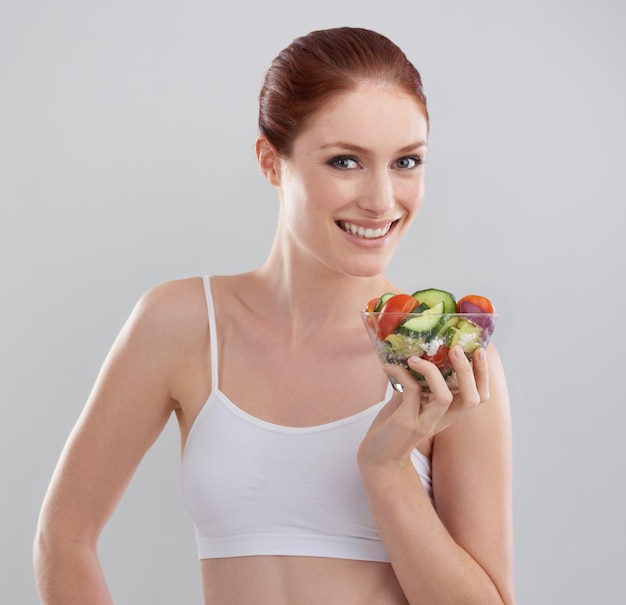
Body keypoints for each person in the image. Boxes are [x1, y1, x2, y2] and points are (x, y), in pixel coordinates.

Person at [33, 27, 515, 604]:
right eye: (346, 161)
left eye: (406, 161)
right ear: (270, 161)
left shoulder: (446, 356)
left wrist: (387, 468)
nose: (382, 199)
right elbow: (64, 538)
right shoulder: (182, 324)